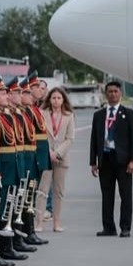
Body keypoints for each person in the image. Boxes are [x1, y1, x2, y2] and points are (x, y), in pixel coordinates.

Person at [90, 81, 133, 237]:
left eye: (115, 91)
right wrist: (93, 162)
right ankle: (108, 227)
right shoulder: (98, 115)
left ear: (120, 94)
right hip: (105, 158)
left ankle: (125, 227)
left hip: (123, 160)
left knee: (126, 195)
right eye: (110, 91)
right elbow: (94, 139)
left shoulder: (128, 113)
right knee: (107, 195)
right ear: (106, 94)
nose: (112, 94)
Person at [36, 86, 74, 232]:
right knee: (42, 190)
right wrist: (49, 152)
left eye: (59, 98)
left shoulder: (69, 116)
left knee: (58, 191)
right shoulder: (42, 114)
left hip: (61, 158)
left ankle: (57, 222)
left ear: (63, 100)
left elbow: (70, 138)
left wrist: (57, 153)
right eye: (53, 98)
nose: (56, 101)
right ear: (49, 99)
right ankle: (38, 222)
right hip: (46, 156)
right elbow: (40, 135)